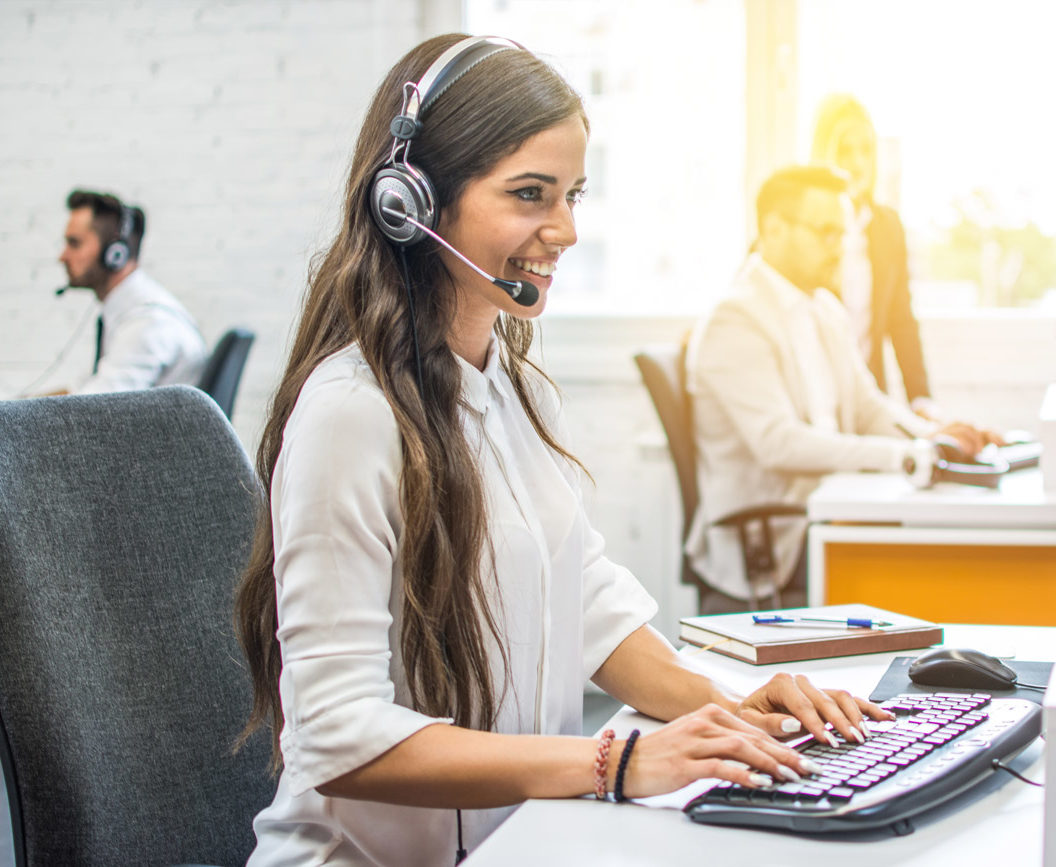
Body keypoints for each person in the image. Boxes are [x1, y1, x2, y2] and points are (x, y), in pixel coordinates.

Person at [233, 35, 891, 867]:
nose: (567, 229)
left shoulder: (516, 384)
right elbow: (335, 734)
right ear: (412, 203)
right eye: (531, 195)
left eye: (573, 193)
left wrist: (728, 706)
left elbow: (583, 598)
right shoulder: (350, 414)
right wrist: (612, 762)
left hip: (520, 842)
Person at [685, 165, 999, 615]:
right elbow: (777, 443)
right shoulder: (735, 320)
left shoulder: (824, 308)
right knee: (933, 567)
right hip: (776, 543)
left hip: (827, 514)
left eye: (842, 236)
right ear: (774, 229)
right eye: (825, 233)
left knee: (947, 552)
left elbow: (868, 407)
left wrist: (931, 437)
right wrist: (902, 458)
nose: (839, 250)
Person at [810, 95, 939, 419]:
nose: (856, 162)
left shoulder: (887, 227)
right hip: (815, 399)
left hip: (870, 401)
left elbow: (901, 321)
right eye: (844, 149)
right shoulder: (802, 226)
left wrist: (920, 400)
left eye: (865, 149)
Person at [56, 190, 207, 394]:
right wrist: (16, 406)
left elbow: (91, 410)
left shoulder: (148, 324)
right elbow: (82, 389)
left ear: (115, 254)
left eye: (75, 243)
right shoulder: (130, 314)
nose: (63, 256)